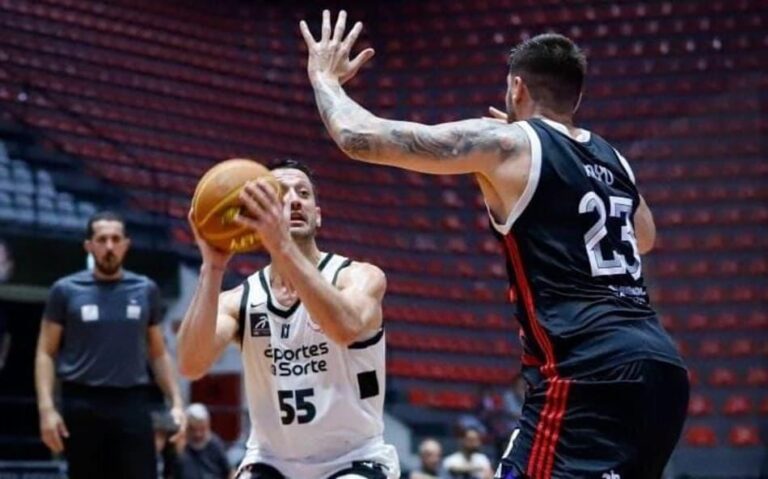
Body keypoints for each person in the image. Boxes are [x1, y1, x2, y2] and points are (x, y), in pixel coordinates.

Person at [300, 11, 689, 479]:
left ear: (517, 88)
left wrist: (324, 77)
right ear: (577, 96)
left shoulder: (507, 144)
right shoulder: (615, 160)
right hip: (662, 370)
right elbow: (644, 237)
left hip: (587, 368)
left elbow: (358, 138)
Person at [177, 159, 400, 479]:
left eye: (304, 193)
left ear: (317, 215)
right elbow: (190, 364)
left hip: (353, 458)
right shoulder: (242, 299)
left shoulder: (359, 277)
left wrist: (281, 246)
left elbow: (345, 327)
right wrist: (212, 267)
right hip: (271, 461)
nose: (294, 199)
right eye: (280, 193)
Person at [35, 211, 185, 479]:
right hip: (82, 402)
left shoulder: (145, 289)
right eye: (102, 239)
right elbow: (46, 352)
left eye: (116, 239)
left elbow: (158, 353)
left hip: (133, 401)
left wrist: (177, 402)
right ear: (89, 246)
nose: (109, 246)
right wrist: (47, 410)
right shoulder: (65, 290)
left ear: (126, 244)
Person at [177, 403, 232, 479]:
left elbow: (229, 472)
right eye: (193, 429)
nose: (198, 434)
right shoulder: (179, 447)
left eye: (202, 429)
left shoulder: (215, 444)